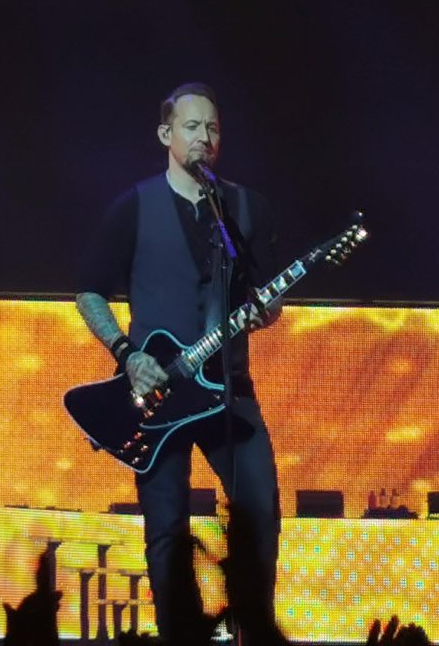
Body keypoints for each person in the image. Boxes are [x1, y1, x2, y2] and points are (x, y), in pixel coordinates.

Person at [74, 83, 284, 646]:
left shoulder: (247, 208)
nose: (204, 138)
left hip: (227, 388)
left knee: (259, 510)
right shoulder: (133, 207)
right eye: (192, 127)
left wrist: (266, 311)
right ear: (166, 134)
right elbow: (89, 292)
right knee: (166, 529)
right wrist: (127, 354)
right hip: (159, 394)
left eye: (212, 128)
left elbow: (268, 298)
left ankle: (253, 629)